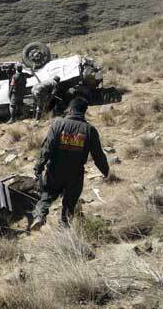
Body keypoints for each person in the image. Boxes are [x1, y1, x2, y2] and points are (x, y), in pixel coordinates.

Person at [31, 98, 109, 230]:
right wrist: (105, 171)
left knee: (47, 195)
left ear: (71, 109)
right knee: (70, 202)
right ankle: (64, 227)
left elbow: (47, 148)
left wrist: (39, 166)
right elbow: (98, 155)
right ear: (84, 112)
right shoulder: (90, 130)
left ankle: (40, 216)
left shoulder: (58, 124)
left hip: (55, 170)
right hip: (75, 173)